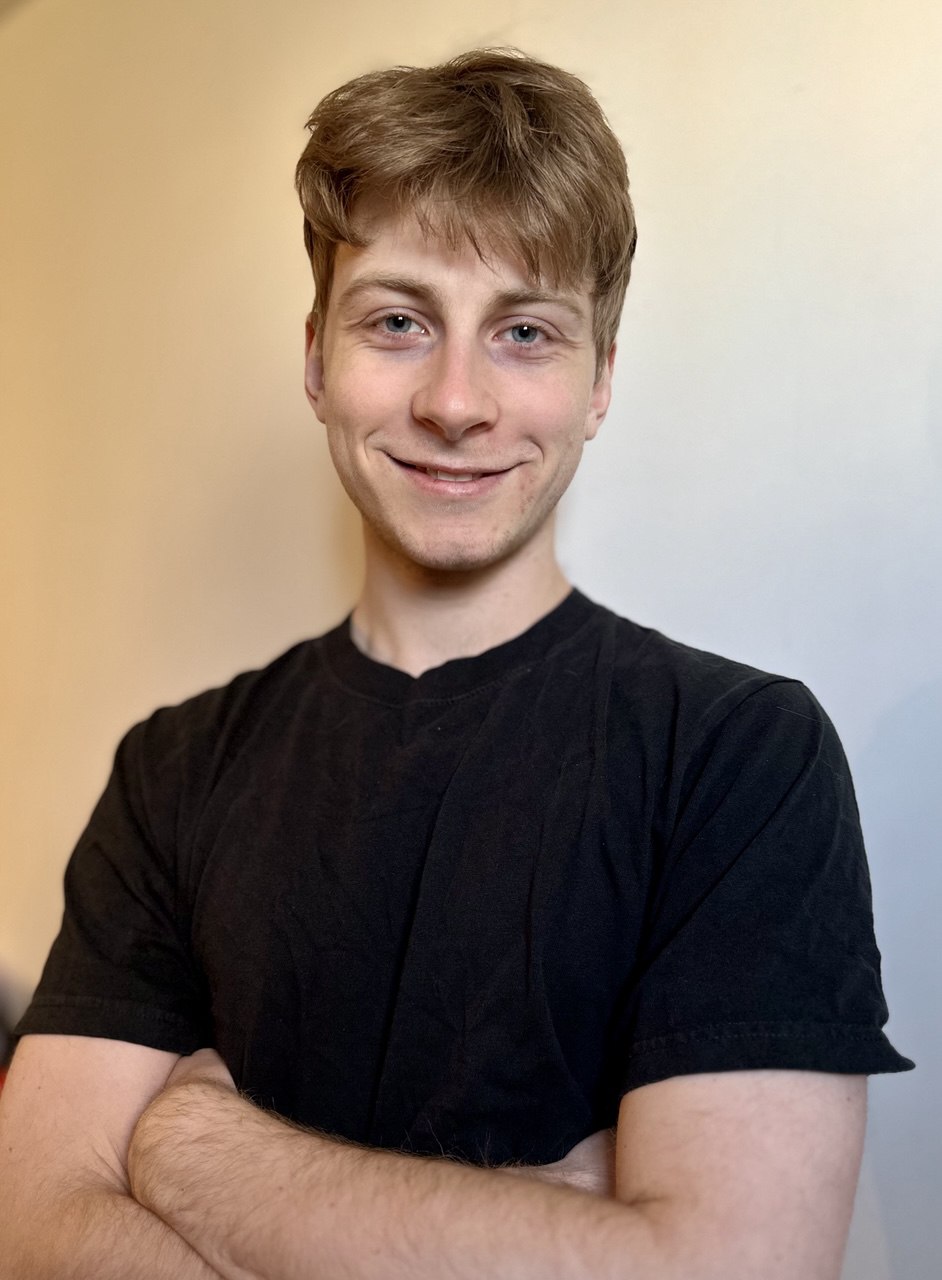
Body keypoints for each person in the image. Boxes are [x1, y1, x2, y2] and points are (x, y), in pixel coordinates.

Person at [0, 48, 912, 1280]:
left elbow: (732, 1267)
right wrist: (561, 1223)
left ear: (600, 382)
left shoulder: (739, 757)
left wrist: (198, 1147)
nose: (456, 401)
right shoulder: (172, 771)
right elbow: (35, 1231)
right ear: (316, 357)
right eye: (397, 320)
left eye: (526, 332)